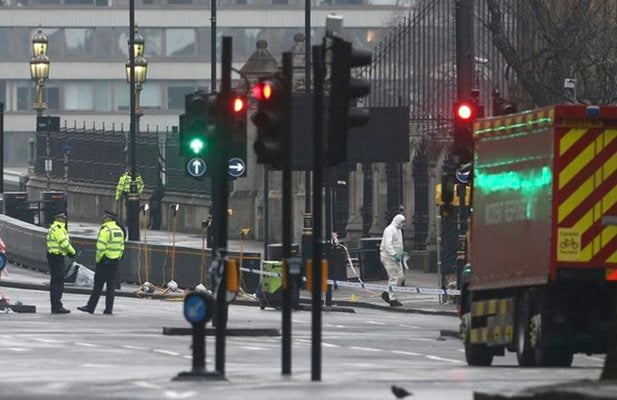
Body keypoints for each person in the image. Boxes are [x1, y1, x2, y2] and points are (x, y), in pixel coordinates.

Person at [77, 210, 125, 315]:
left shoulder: (105, 230)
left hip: (104, 261)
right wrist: (118, 257)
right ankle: (108, 309)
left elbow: (100, 247)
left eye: (104, 217)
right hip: (115, 261)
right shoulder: (119, 230)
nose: (103, 218)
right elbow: (122, 246)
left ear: (108, 218)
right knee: (111, 287)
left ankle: (90, 307)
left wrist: (98, 260)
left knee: (98, 286)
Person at [46, 212, 76, 314]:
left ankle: (55, 305)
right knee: (58, 282)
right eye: (63, 217)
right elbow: (64, 244)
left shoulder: (53, 227)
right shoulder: (58, 229)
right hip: (57, 257)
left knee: (54, 282)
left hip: (52, 256)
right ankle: (57, 306)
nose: (65, 219)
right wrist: (72, 253)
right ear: (58, 218)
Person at [380, 214, 406, 307]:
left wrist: (401, 253)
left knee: (401, 276)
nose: (402, 224)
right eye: (402, 222)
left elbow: (398, 243)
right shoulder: (389, 230)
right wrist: (394, 254)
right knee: (394, 277)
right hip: (388, 257)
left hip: (396, 257)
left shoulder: (399, 231)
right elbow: (388, 244)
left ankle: (387, 293)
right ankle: (392, 298)